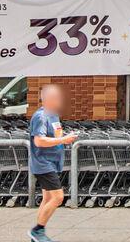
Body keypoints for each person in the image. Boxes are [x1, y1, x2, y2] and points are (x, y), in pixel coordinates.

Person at [27, 84, 79, 242]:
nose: (59, 100)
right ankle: (37, 231)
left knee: (47, 199)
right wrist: (63, 139)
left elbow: (56, 136)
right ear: (47, 99)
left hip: (52, 162)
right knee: (58, 197)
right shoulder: (40, 116)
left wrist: (65, 138)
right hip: (43, 163)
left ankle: (37, 237)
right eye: (56, 97)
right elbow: (39, 141)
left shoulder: (53, 115)